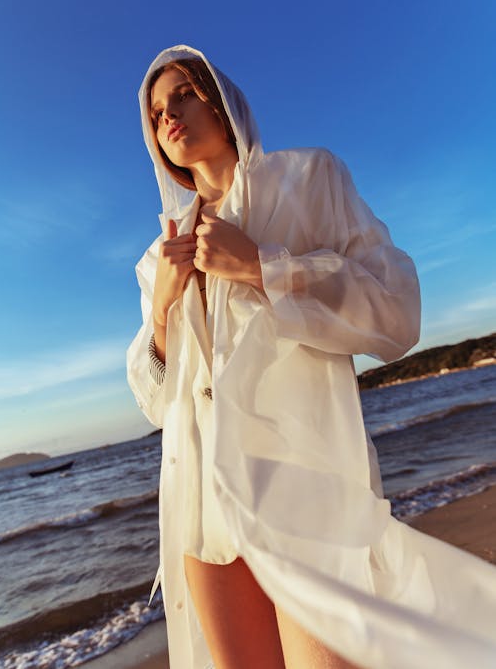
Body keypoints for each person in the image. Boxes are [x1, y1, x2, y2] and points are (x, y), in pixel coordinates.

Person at [127, 45, 496, 669]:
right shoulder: (160, 255)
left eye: (184, 94)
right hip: (199, 507)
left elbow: (395, 310)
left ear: (223, 100)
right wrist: (162, 307)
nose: (169, 116)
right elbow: (158, 403)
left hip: (304, 491)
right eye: (157, 110)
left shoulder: (309, 179)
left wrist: (259, 266)